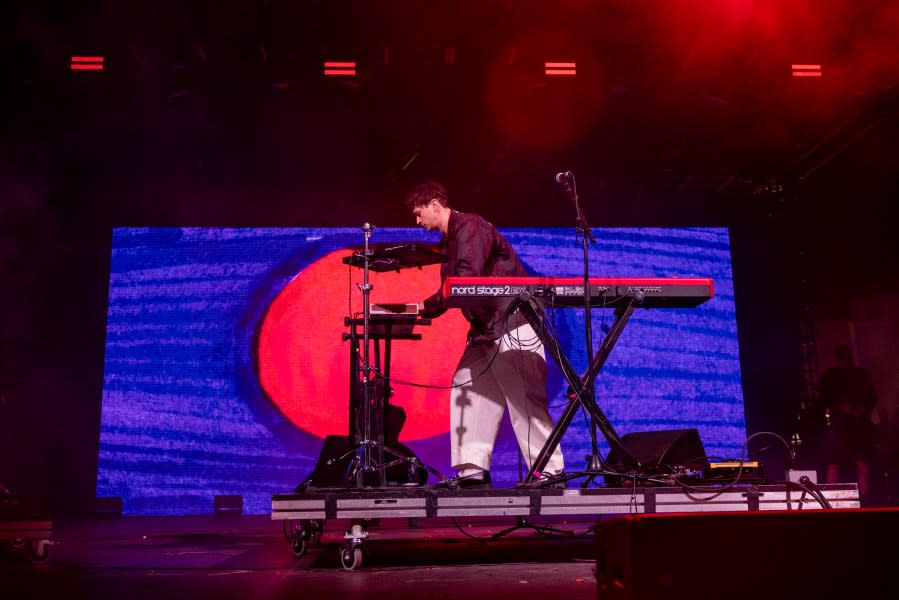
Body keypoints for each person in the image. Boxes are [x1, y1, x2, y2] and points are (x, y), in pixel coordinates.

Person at [404, 180, 565, 489]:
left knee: (524, 399)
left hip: (514, 321)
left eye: (418, 212)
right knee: (467, 384)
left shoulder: (471, 226)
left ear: (435, 205)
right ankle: (472, 471)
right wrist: (420, 309)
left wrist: (423, 308)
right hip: (486, 330)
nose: (417, 221)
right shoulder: (449, 242)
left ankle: (551, 472)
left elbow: (466, 280)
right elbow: (458, 289)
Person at [819, 343, 878, 497]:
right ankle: (830, 496)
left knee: (860, 461)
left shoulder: (861, 375)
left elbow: (872, 398)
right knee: (835, 462)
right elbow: (824, 399)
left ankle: (865, 495)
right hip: (839, 427)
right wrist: (840, 407)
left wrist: (859, 410)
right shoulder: (831, 377)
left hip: (857, 426)